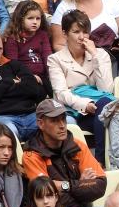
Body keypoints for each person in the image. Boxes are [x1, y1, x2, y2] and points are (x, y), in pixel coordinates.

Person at [22, 98, 106, 207]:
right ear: (41, 124)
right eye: (54, 121)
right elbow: (46, 196)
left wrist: (64, 187)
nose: (62, 125)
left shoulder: (77, 145)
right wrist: (81, 184)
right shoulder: (31, 155)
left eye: (63, 119)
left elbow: (100, 185)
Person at [47, 10, 115, 160]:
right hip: (74, 110)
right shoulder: (55, 59)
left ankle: (102, 160)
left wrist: (95, 56)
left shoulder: (100, 55)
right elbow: (61, 93)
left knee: (105, 105)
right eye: (76, 32)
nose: (82, 37)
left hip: (100, 108)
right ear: (65, 34)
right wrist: (86, 104)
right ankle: (101, 160)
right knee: (106, 111)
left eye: (85, 32)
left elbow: (106, 89)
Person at [2, 0, 53, 90]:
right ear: (20, 19)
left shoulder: (42, 35)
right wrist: (30, 77)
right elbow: (13, 65)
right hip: (24, 78)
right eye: (30, 18)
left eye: (38, 18)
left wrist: (52, 75)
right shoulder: (12, 38)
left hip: (43, 77)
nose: (35, 22)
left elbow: (47, 57)